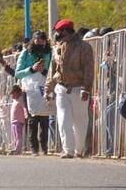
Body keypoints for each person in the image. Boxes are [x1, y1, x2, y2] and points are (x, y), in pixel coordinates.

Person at [45, 18, 94, 159]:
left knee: (80, 120)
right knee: (63, 118)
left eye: (58, 32)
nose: (56, 35)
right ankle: (68, 150)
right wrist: (48, 89)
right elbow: (52, 70)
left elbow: (89, 69)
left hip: (79, 88)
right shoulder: (56, 48)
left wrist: (86, 88)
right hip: (61, 88)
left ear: (65, 31)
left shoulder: (84, 47)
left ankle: (78, 149)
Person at [16, 30, 53, 155]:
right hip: (29, 89)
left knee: (45, 118)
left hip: (44, 87)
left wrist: (43, 71)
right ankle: (34, 148)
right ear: (33, 41)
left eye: (42, 42)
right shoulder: (25, 54)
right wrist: (32, 69)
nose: (39, 44)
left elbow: (54, 70)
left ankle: (44, 147)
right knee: (32, 119)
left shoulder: (49, 53)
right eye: (37, 41)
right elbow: (18, 73)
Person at [9, 84, 27, 154]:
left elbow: (24, 108)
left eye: (13, 93)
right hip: (13, 121)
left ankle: (18, 149)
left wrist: (26, 116)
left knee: (19, 136)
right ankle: (16, 147)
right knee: (15, 136)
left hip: (19, 121)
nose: (12, 95)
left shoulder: (21, 100)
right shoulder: (15, 101)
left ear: (18, 93)